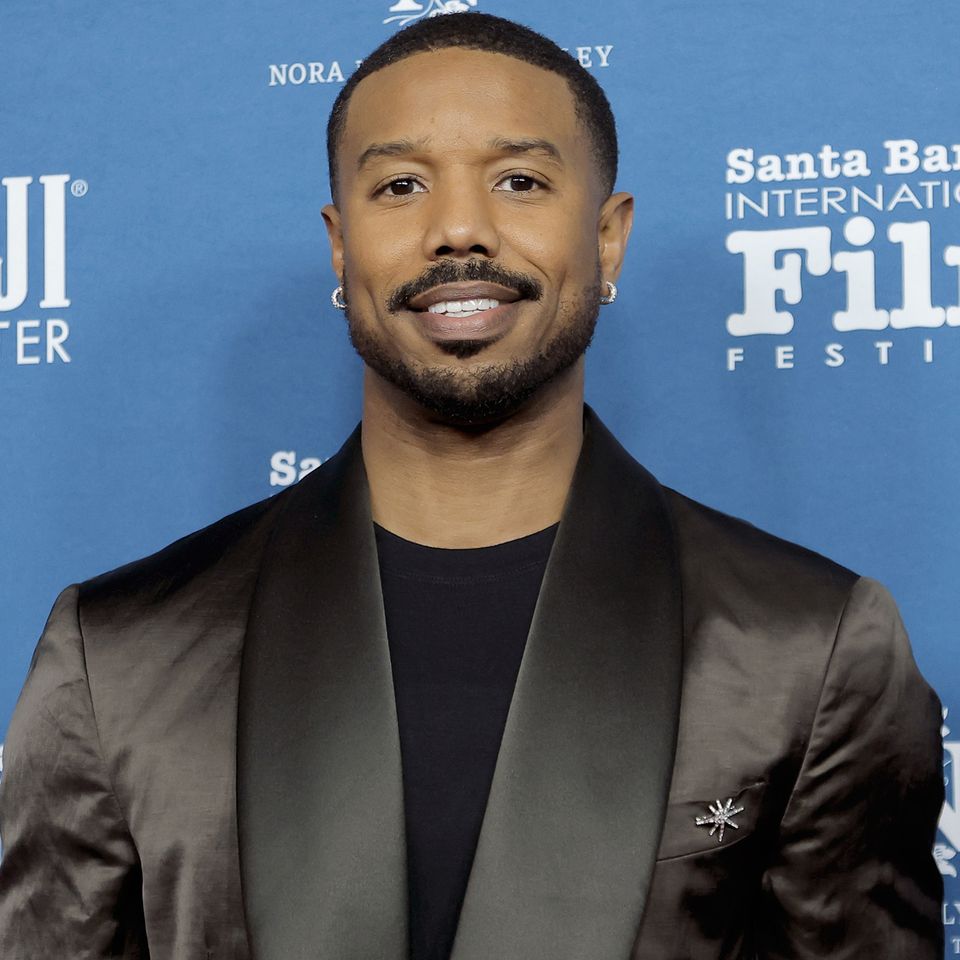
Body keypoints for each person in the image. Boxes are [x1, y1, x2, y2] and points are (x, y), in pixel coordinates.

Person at [0, 12, 944, 960]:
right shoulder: (118, 655)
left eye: (520, 181)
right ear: (340, 246)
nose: (459, 228)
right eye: (400, 185)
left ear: (608, 238)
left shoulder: (807, 648)